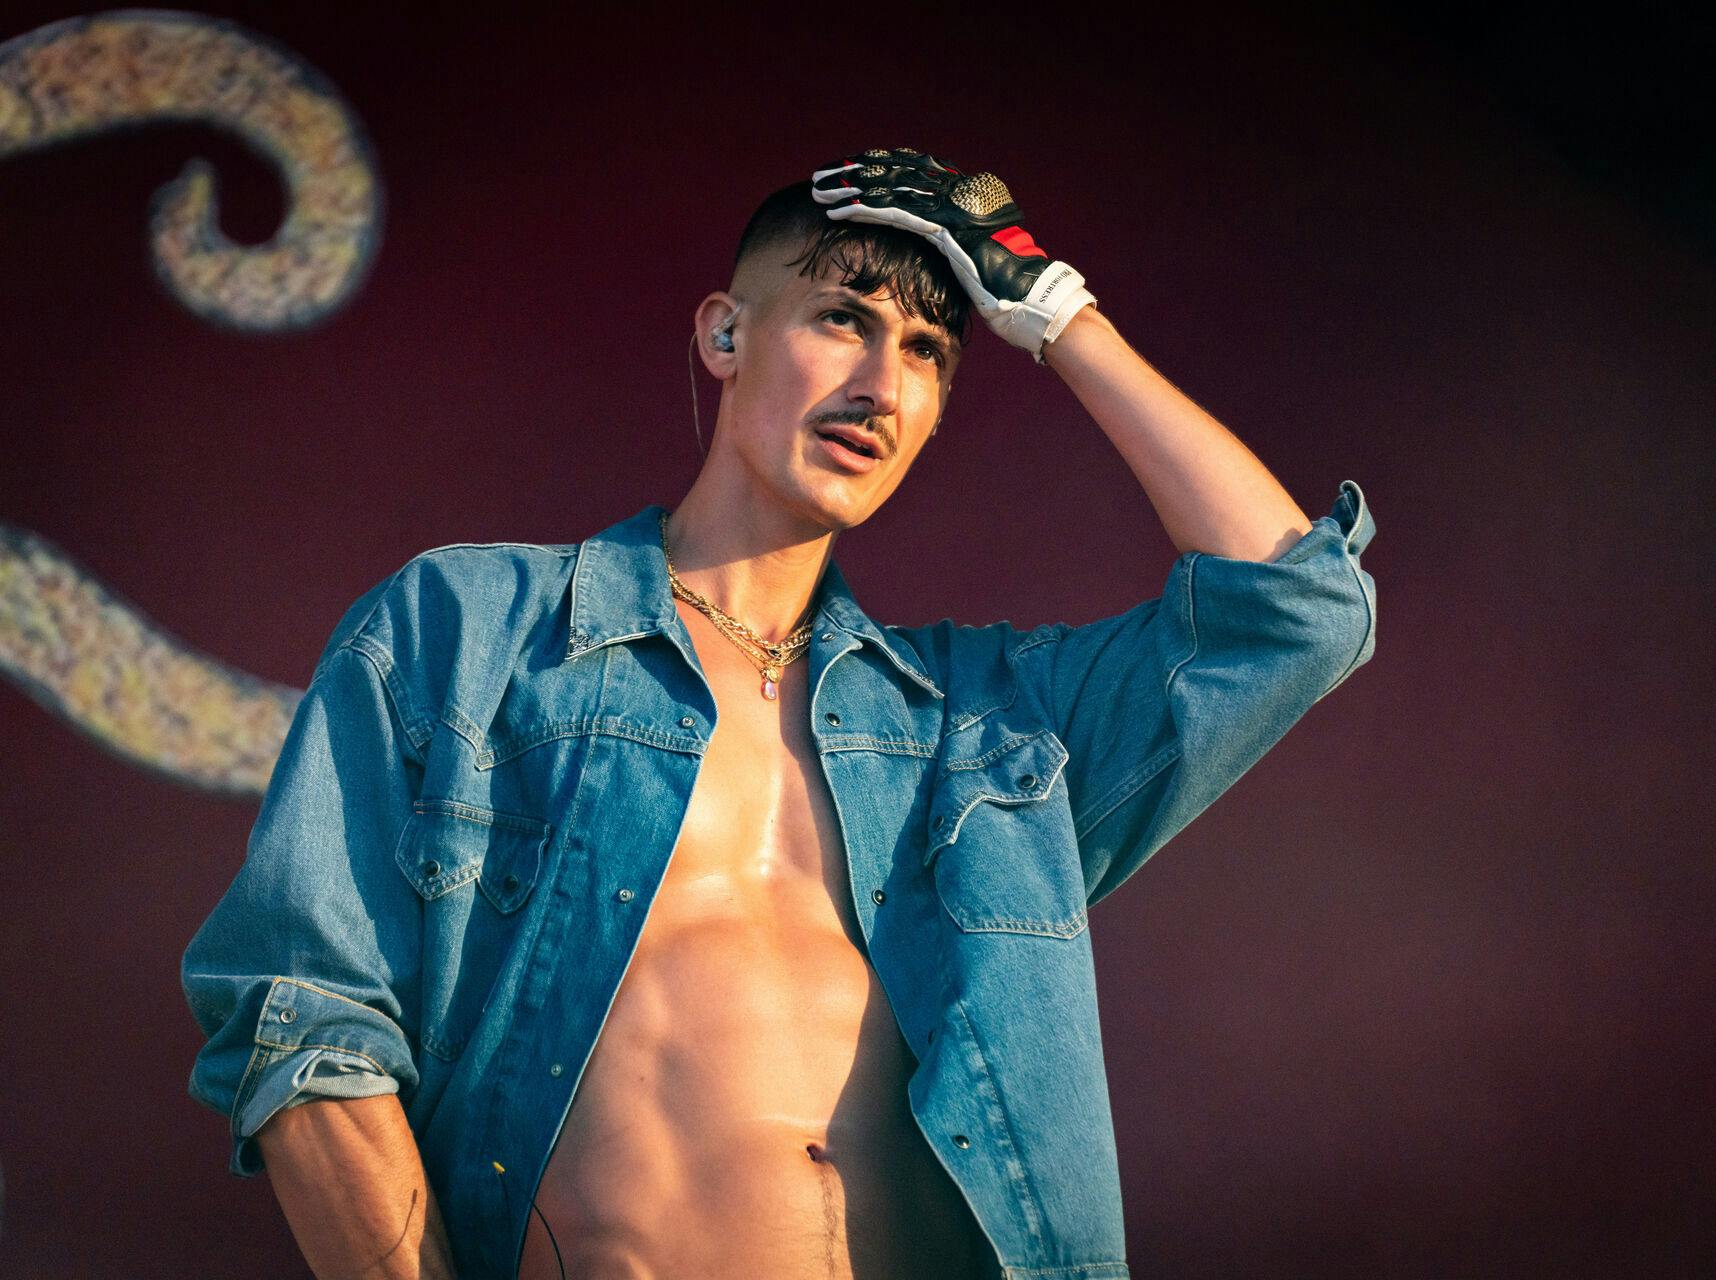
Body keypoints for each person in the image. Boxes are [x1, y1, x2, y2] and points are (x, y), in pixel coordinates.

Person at [181, 147, 1378, 1280]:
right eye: (843, 319)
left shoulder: (983, 725)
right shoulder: (471, 627)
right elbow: (310, 1020)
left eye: (926, 351)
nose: (880, 385)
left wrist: (1053, 313)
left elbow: (1298, 614)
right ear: (724, 331)